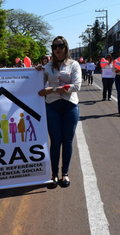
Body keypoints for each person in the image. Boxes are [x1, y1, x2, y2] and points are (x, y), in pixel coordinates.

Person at [37, 36, 81, 188]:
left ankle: (65, 173)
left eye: (61, 45)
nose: (58, 48)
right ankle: (54, 174)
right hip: (52, 106)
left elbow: (76, 86)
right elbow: (37, 85)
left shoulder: (74, 65)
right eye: (55, 46)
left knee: (67, 141)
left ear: (66, 47)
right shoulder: (47, 67)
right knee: (55, 141)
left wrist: (53, 89)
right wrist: (34, 72)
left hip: (70, 106)